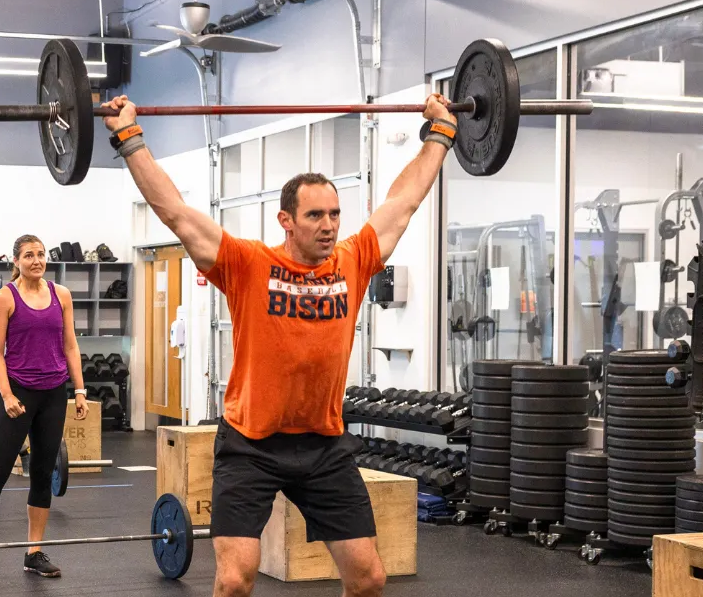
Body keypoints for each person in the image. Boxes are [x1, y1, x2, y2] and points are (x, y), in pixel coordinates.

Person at [104, 93, 453, 597]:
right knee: (234, 581)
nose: (329, 225)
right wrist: (129, 137)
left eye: (334, 213)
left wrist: (439, 136)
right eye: (315, 215)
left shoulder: (353, 261)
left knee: (370, 578)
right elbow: (175, 213)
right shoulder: (247, 265)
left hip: (323, 444)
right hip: (251, 445)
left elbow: (404, 202)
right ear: (286, 221)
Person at [0, 234, 89, 585]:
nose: (36, 260)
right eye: (28, 255)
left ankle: (33, 552)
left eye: (40, 254)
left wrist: (79, 389)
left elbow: (70, 344)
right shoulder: (5, 298)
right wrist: (6, 395)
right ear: (16, 261)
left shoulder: (61, 295)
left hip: (53, 393)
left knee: (41, 473)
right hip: (19, 393)